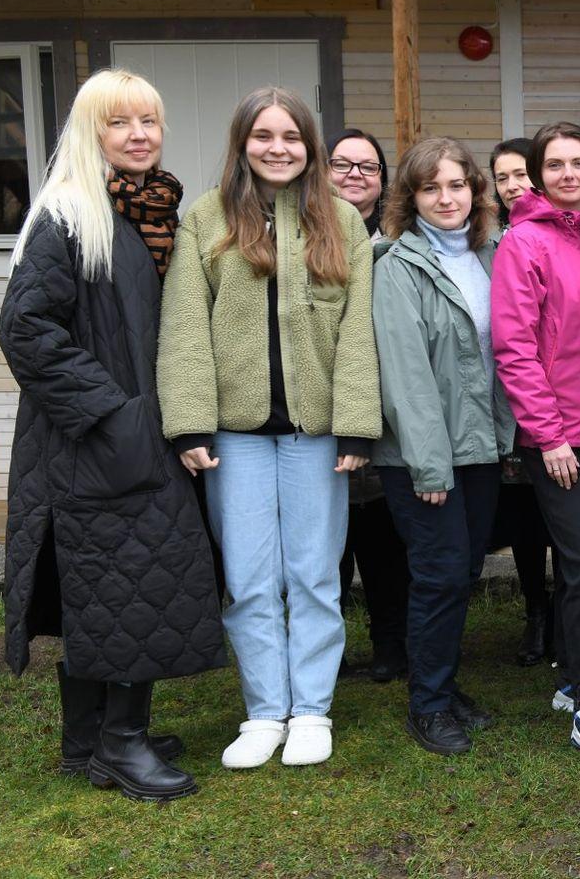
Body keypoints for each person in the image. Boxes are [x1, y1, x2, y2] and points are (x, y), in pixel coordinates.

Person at [0, 68, 223, 801]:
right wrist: (114, 411)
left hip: (124, 435)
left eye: (149, 121)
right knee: (135, 581)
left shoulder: (147, 210)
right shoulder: (70, 213)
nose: (138, 135)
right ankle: (121, 746)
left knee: (111, 585)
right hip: (99, 439)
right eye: (119, 122)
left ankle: (87, 740)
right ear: (89, 132)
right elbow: (26, 332)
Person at [159, 86, 380, 770]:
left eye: (290, 136)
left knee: (314, 574)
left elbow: (358, 333)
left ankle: (311, 708)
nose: (277, 148)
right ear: (243, 143)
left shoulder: (340, 219)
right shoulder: (206, 217)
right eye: (264, 136)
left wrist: (355, 427)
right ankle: (264, 711)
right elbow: (185, 325)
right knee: (251, 576)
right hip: (235, 433)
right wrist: (190, 420)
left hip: (316, 434)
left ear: (309, 145)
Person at [492, 120, 580, 758]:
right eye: (555, 165)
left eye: (579, 163)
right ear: (538, 174)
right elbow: (515, 346)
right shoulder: (523, 243)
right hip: (558, 438)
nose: (568, 174)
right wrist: (548, 436)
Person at [371, 137, 516, 756]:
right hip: (423, 458)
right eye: (431, 188)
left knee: (462, 570)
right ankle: (427, 704)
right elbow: (406, 375)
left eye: (457, 185)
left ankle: (443, 684)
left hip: (480, 448)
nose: (446, 198)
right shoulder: (396, 267)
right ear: (411, 198)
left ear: (475, 191)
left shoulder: (490, 255)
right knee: (437, 575)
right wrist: (430, 464)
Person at [327, 128, 409, 684]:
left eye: (369, 167)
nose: (356, 175)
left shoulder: (400, 241)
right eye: (343, 165)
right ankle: (324, 652)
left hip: (385, 408)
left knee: (384, 541)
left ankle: (390, 646)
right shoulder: (303, 235)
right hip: (318, 407)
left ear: (383, 181)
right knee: (325, 551)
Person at [489, 137, 554, 667]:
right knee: (524, 522)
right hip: (506, 409)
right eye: (501, 178)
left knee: (551, 516)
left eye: (519, 175)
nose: (512, 186)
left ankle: (557, 616)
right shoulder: (486, 240)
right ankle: (536, 611)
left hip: (552, 403)